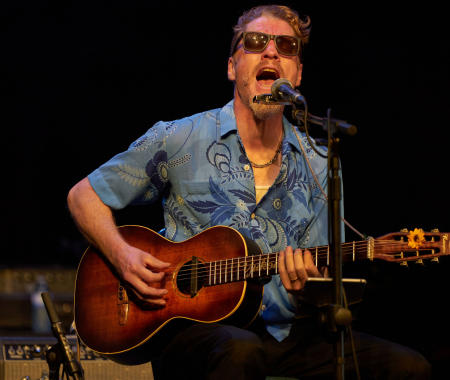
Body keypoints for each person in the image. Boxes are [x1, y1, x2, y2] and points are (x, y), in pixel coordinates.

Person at [68, 5, 431, 379]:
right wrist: (123, 256)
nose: (271, 52)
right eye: (256, 42)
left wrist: (306, 289)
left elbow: (324, 287)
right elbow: (83, 196)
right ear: (231, 66)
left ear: (298, 74)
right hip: (193, 334)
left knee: (409, 367)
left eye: (287, 46)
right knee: (241, 350)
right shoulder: (178, 138)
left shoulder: (321, 163)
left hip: (292, 336)